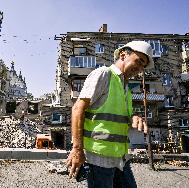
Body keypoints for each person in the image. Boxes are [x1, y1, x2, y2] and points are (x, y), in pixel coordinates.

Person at [66, 41, 154, 188]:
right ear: (123, 55)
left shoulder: (126, 88)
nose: (139, 69)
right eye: (138, 62)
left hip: (120, 157)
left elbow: (121, 118)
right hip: (98, 158)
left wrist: (134, 118)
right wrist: (77, 149)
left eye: (142, 66)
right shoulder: (104, 74)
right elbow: (77, 109)